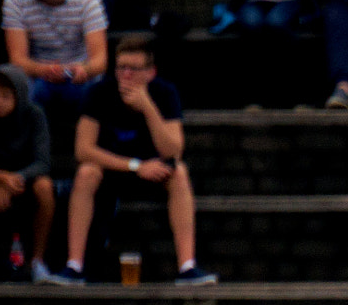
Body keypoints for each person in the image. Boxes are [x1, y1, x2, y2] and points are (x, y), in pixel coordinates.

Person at [37, 35, 216, 285]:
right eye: (121, 67)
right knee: (86, 172)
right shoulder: (99, 92)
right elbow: (83, 150)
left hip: (153, 171)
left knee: (180, 172)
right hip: (114, 170)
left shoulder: (164, 92)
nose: (126, 74)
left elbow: (173, 150)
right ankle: (74, 266)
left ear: (150, 72)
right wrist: (135, 166)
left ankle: (187, 267)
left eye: (134, 69)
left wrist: (148, 108)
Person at [0, 66, 54, 278]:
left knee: (45, 186)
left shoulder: (34, 114)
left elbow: (42, 163)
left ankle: (37, 260)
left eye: (5, 96)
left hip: (24, 179)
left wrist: (14, 179)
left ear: (19, 95)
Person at [1, 0, 107, 123]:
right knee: (23, 89)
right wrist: (48, 70)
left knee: (94, 93)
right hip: (37, 75)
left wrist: (83, 69)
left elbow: (100, 61)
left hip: (78, 75)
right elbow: (18, 60)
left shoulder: (88, 0)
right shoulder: (15, 1)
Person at [227, 0, 311, 109]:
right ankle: (253, 97)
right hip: (252, 0)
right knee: (251, 23)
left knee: (276, 23)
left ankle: (294, 95)